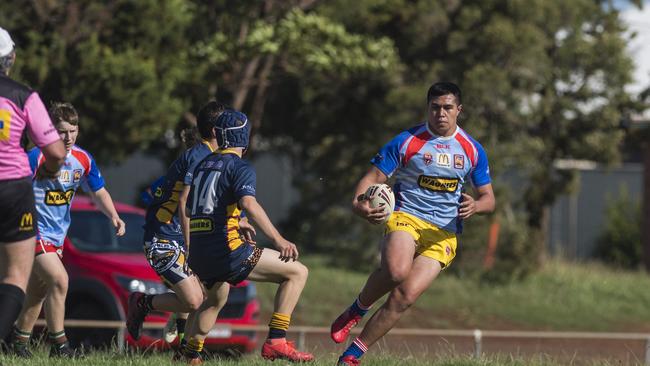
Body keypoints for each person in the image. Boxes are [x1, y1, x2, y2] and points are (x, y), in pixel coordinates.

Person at [331, 82, 495, 365]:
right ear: (427, 108)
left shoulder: (472, 150)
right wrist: (359, 203)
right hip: (407, 217)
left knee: (404, 297)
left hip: (444, 233)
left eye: (447, 108)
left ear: (459, 110)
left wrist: (476, 206)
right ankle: (357, 310)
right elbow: (372, 178)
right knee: (396, 271)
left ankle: (353, 354)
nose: (441, 114)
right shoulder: (407, 141)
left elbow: (489, 198)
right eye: (435, 107)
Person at [178, 109, 313, 364]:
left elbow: (190, 209)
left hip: (200, 253)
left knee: (216, 299)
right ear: (245, 138)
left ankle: (190, 355)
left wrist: (235, 220)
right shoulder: (239, 166)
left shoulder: (202, 165)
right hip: (228, 252)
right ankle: (276, 341)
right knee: (297, 272)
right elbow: (249, 203)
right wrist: (278, 240)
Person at [7, 102, 126, 358]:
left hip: (57, 235)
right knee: (60, 280)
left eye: (73, 131)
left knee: (38, 291)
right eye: (62, 131)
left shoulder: (82, 159)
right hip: (31, 231)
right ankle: (60, 347)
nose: (68, 137)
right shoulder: (35, 156)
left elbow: (98, 191)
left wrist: (114, 216)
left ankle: (18, 343)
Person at [126, 102, 228, 345]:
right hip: (162, 240)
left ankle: (185, 347)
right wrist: (192, 249)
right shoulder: (198, 157)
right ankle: (142, 303)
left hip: (185, 239)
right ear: (216, 130)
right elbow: (182, 204)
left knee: (207, 293)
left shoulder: (215, 157)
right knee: (194, 300)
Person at [0, 27, 66, 344]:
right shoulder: (24, 95)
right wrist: (51, 170)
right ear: (10, 58)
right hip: (12, 189)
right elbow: (54, 151)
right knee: (15, 275)